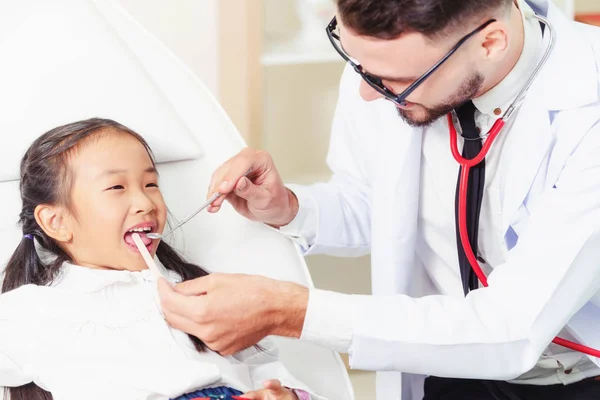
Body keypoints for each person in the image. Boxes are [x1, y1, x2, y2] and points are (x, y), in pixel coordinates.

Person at [157, 0, 600, 399]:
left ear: (491, 42)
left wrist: (287, 310)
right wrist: (290, 207)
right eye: (356, 63)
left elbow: (509, 328)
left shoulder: (588, 117)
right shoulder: (383, 61)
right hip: (443, 365)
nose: (367, 93)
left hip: (574, 379)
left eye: (396, 82)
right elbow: (377, 204)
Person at [0, 118, 322, 400]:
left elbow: (264, 368)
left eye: (151, 184)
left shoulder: (204, 292)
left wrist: (284, 393)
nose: (144, 201)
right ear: (57, 222)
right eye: (116, 187)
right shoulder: (33, 311)